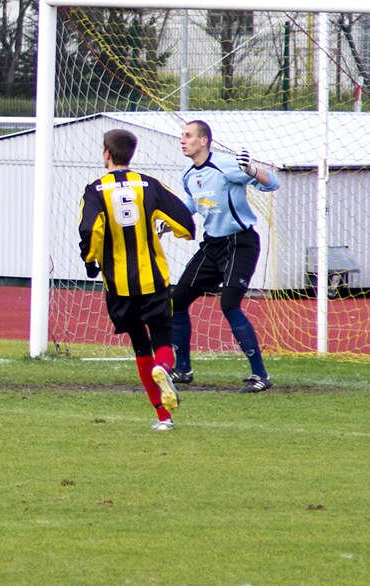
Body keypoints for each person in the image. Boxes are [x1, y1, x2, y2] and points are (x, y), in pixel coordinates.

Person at [79, 129, 196, 431]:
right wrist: (178, 231)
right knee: (163, 339)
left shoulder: (94, 190)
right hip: (153, 280)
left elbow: (90, 229)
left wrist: (90, 261)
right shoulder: (150, 185)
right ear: (130, 154)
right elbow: (185, 221)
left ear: (107, 154)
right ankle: (165, 367)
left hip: (119, 285)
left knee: (140, 346)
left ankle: (163, 418)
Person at [171, 119, 281, 393]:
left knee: (229, 304)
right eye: (182, 136)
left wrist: (252, 170)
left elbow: (273, 183)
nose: (183, 140)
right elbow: (191, 203)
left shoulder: (227, 165)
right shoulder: (188, 174)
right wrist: (170, 219)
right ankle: (182, 370)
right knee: (176, 302)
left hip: (240, 244)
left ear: (203, 140)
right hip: (212, 245)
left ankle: (260, 376)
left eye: (188, 136)